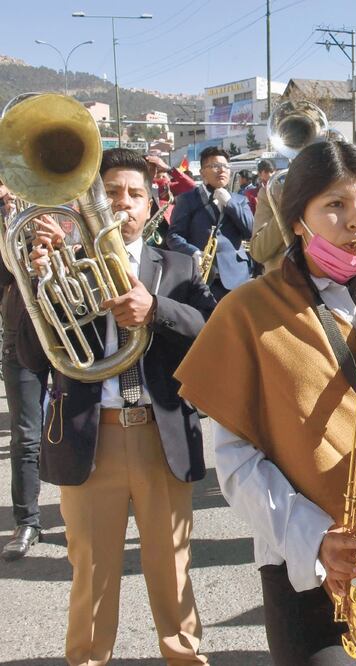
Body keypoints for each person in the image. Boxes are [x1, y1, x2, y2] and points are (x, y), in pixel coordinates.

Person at [174, 140, 356, 666]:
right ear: (297, 221)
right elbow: (235, 464)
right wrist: (315, 540)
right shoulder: (245, 313)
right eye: (333, 205)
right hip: (304, 561)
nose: (355, 222)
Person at [25, 148, 216, 664]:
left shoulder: (177, 263)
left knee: (172, 569)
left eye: (135, 194)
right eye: (111, 193)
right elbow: (28, 352)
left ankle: (185, 658)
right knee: (91, 574)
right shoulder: (67, 263)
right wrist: (37, 277)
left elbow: (211, 332)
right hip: (93, 436)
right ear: (93, 203)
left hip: (161, 434)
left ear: (152, 203)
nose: (123, 203)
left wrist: (157, 311)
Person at [0, 183, 49, 562]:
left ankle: (94, 511)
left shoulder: (77, 206)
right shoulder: (7, 217)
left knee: (91, 424)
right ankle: (27, 520)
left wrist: (65, 243)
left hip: (77, 327)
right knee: (26, 435)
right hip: (22, 331)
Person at [167, 146, 253, 301]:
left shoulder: (240, 200)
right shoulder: (187, 199)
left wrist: (229, 204)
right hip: (201, 276)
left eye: (225, 166)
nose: (222, 170)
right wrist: (193, 252)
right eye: (215, 166)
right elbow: (173, 236)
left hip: (237, 276)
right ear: (202, 172)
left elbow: (250, 230)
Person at [249, 159, 289, 272]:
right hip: (283, 277)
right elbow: (259, 251)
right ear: (260, 174)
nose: (270, 174)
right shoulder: (268, 192)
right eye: (266, 172)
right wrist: (287, 207)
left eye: (271, 171)